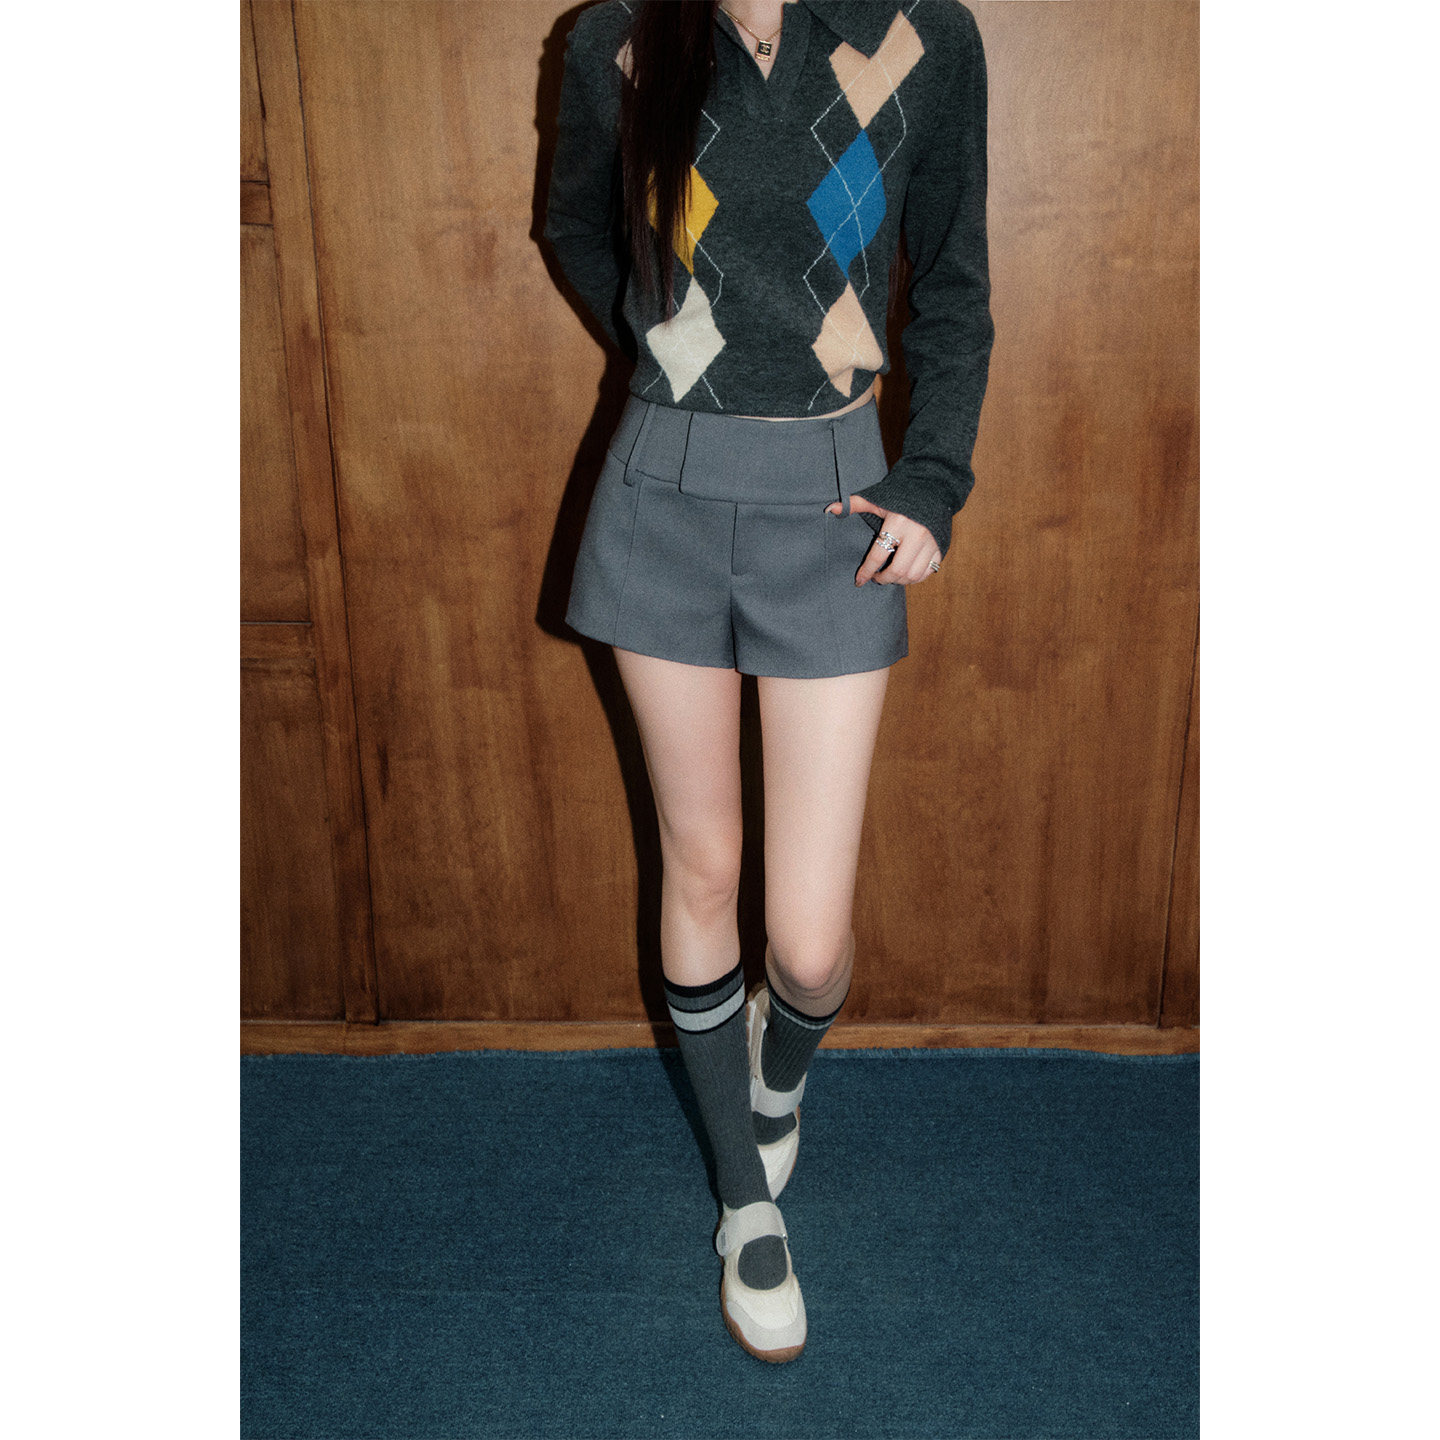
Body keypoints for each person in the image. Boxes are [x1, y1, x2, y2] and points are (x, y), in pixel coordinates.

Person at [544, 0, 992, 1362]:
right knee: (701, 867)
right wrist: (671, 349)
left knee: (805, 943)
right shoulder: (618, 41)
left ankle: (776, 1077)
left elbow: (953, 280)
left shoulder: (922, 37)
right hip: (660, 497)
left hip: (839, 507)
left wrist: (932, 478)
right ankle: (745, 1202)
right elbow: (573, 228)